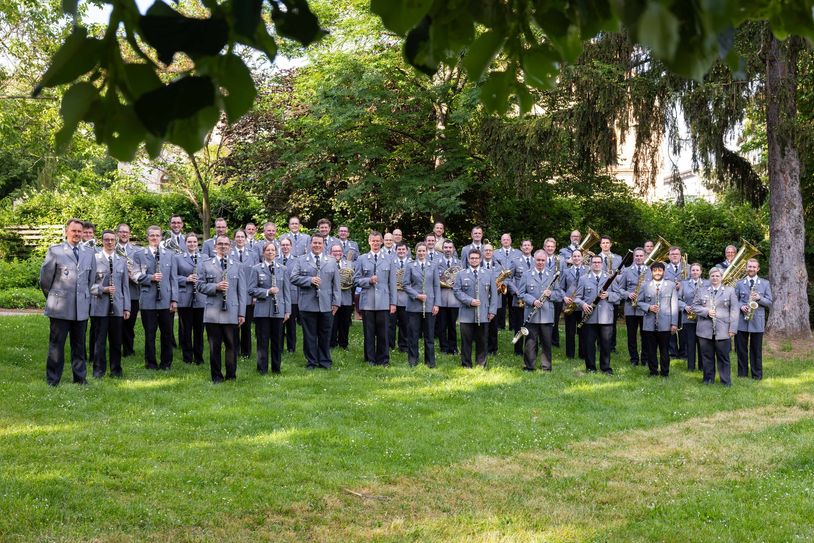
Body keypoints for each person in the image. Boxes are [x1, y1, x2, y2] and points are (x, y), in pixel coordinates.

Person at [39, 218, 98, 386]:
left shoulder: (89, 252)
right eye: (74, 231)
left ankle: (80, 378)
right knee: (57, 345)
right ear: (67, 231)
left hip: (81, 308)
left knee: (79, 345)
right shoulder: (56, 251)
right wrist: (52, 298)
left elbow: (90, 279)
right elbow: (45, 280)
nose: (77, 234)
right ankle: (53, 379)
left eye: (79, 231)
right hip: (60, 307)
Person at [199, 235, 247, 382]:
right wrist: (216, 287)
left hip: (231, 312)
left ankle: (231, 375)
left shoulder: (237, 265)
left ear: (230, 247)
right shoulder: (206, 264)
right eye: (220, 244)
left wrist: (242, 313)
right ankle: (217, 377)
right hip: (212, 312)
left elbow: (242, 291)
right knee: (214, 346)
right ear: (215, 246)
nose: (223, 246)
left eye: (226, 244)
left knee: (232, 345)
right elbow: (199, 285)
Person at [290, 235, 340, 369]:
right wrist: (309, 280)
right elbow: (293, 278)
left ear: (323, 245)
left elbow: (336, 284)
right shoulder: (301, 260)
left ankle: (324, 361)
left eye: (320, 243)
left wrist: (336, 302)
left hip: (326, 304)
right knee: (309, 335)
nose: (317, 245)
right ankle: (311, 361)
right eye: (315, 243)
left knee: (325, 334)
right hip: (307, 303)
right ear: (310, 244)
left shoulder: (331, 261)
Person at [89, 230, 131, 378]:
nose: (110, 242)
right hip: (99, 306)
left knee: (116, 341)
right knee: (99, 341)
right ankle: (99, 371)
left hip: (118, 307)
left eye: (112, 239)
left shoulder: (121, 260)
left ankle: (116, 370)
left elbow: (125, 286)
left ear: (116, 241)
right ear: (102, 241)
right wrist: (103, 289)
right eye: (107, 240)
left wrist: (126, 307)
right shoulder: (94, 259)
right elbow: (88, 286)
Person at [136, 225, 178, 370]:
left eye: (157, 235)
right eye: (152, 235)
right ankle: (151, 363)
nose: (154, 238)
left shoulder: (169, 254)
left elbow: (173, 279)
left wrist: (174, 299)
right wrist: (150, 278)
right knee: (150, 334)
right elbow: (135, 275)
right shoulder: (140, 254)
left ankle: (166, 363)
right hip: (148, 300)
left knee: (167, 334)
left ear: (161, 237)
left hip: (166, 300)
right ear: (147, 237)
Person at [354, 230, 397, 365]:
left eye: (378, 241)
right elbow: (355, 280)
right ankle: (370, 359)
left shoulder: (390, 259)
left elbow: (392, 283)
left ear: (382, 242)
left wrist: (393, 303)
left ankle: (383, 359)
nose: (375, 243)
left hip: (384, 302)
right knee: (369, 332)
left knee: (383, 332)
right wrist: (368, 281)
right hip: (367, 302)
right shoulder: (362, 258)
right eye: (373, 241)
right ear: (369, 242)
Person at [518, 250, 563, 371]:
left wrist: (551, 294)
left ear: (546, 261)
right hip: (531, 314)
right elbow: (521, 293)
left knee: (546, 342)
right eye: (538, 260)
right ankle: (529, 366)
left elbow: (559, 294)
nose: (540, 262)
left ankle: (546, 366)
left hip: (547, 314)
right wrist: (532, 301)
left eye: (543, 260)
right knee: (530, 342)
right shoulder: (526, 274)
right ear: (534, 260)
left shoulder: (552, 275)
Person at [692, 267, 738, 386]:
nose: (715, 278)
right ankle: (708, 380)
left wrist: (732, 328)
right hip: (705, 329)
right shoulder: (702, 290)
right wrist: (706, 311)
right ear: (709, 277)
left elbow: (734, 310)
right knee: (707, 356)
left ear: (721, 278)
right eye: (713, 276)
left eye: (717, 276)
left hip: (723, 330)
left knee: (723, 357)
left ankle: (725, 381)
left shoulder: (730, 291)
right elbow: (695, 306)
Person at [249, 243, 291, 374]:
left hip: (278, 310)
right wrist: (267, 292)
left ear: (276, 252)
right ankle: (262, 369)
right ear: (263, 252)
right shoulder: (256, 269)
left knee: (277, 341)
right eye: (268, 250)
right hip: (262, 310)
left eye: (273, 250)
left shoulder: (283, 269)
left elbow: (286, 291)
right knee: (262, 340)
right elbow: (251, 290)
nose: (270, 252)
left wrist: (288, 310)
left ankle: (276, 369)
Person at [575, 255, 620, 374]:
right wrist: (583, 305)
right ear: (590, 264)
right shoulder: (583, 278)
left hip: (606, 318)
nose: (596, 264)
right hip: (590, 317)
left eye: (599, 262)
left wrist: (609, 295)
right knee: (589, 344)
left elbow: (618, 296)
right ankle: (590, 368)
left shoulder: (610, 278)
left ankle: (606, 368)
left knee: (606, 344)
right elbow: (577, 298)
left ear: (602, 264)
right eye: (594, 262)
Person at [453, 250, 498, 367]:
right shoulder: (461, 274)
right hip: (466, 313)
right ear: (468, 259)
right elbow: (457, 291)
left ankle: (481, 364)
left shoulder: (489, 273)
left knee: (482, 340)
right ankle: (466, 364)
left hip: (483, 312)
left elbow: (494, 294)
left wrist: (492, 310)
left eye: (476, 258)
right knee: (466, 341)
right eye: (472, 258)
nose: (474, 260)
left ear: (480, 259)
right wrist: (470, 301)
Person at [637, 262, 678, 377]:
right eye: (655, 270)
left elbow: (674, 305)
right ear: (651, 272)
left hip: (665, 324)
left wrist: (674, 323)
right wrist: (648, 307)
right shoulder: (645, 285)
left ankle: (665, 373)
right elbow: (638, 302)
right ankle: (653, 372)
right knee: (651, 350)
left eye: (660, 270)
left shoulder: (671, 286)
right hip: (649, 324)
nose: (657, 273)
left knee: (664, 350)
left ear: (664, 272)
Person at [403, 242, 440, 367]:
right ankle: (413, 360)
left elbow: (436, 286)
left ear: (426, 252)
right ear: (415, 252)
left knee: (429, 336)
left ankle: (430, 362)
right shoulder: (410, 265)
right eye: (419, 251)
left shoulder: (433, 265)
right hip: (414, 306)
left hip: (429, 305)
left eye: (423, 251)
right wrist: (417, 295)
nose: (421, 253)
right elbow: (405, 285)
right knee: (413, 335)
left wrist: (437, 304)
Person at [735, 258, 773, 380]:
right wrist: (741, 306)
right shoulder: (740, 283)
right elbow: (735, 300)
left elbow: (770, 302)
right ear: (746, 268)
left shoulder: (765, 283)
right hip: (742, 320)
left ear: (758, 269)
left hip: (757, 320)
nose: (751, 269)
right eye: (749, 266)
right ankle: (742, 374)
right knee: (741, 349)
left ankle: (757, 375)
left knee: (756, 349)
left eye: (753, 267)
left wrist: (759, 298)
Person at [175, 233, 206, 365]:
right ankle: (187, 357)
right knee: (186, 329)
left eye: (194, 242)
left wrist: (200, 280)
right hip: (185, 297)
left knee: (199, 330)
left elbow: (209, 275)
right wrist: (186, 279)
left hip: (200, 297)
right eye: (189, 242)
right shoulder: (178, 258)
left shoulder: (204, 257)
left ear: (197, 243)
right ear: (185, 243)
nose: (192, 244)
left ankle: (199, 357)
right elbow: (173, 277)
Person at [615, 248, 649, 366]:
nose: (639, 258)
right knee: (631, 335)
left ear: (644, 257)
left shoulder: (650, 270)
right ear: (634, 257)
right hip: (631, 308)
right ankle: (634, 359)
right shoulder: (627, 271)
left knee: (646, 335)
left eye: (641, 256)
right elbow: (619, 289)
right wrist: (627, 294)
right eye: (636, 256)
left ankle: (645, 359)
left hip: (645, 309)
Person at [231, 229, 259, 358]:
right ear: (234, 239)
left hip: (248, 295)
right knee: (234, 325)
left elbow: (256, 275)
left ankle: (246, 352)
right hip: (233, 294)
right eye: (238, 237)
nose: (240, 239)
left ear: (246, 238)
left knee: (246, 326)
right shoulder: (229, 254)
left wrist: (255, 295)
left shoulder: (253, 254)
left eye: (242, 236)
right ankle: (234, 350)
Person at [116, 223, 143, 357]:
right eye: (121, 232)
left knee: (130, 323)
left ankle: (128, 349)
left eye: (126, 232)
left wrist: (133, 274)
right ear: (117, 234)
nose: (124, 234)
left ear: (130, 234)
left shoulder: (137, 250)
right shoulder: (111, 248)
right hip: (115, 291)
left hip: (132, 292)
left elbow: (143, 270)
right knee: (116, 323)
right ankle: (116, 348)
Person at [508, 239, 534, 356]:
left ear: (532, 247)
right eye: (524, 245)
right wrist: (516, 291)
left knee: (532, 325)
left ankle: (531, 348)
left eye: (528, 245)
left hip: (533, 299)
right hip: (519, 299)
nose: (527, 247)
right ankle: (518, 350)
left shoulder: (537, 260)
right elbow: (508, 279)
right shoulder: (515, 261)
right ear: (521, 247)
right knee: (519, 324)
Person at [679, 263, 706, 371]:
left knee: (702, 343)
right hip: (688, 318)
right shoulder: (684, 284)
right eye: (693, 270)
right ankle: (691, 367)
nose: (695, 272)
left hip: (702, 318)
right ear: (690, 272)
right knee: (690, 343)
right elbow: (677, 299)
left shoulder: (707, 283)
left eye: (697, 270)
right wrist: (685, 307)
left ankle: (702, 366)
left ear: (701, 272)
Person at [435, 239, 461, 355]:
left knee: (452, 325)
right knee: (441, 325)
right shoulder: (436, 262)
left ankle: (453, 347)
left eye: (450, 248)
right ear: (442, 249)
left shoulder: (459, 263)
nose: (448, 250)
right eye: (446, 247)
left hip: (454, 299)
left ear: (453, 249)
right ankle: (443, 347)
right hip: (441, 297)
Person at [560, 249, 586, 360]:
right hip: (569, 305)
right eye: (574, 256)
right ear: (572, 258)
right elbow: (560, 288)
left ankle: (582, 354)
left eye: (578, 256)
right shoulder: (566, 271)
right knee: (570, 331)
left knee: (583, 331)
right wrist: (564, 297)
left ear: (582, 257)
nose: (576, 258)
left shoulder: (588, 270)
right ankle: (570, 355)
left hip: (583, 306)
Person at [329, 243, 354, 350]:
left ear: (342, 253)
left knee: (344, 323)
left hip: (346, 297)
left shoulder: (349, 264)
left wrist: (349, 280)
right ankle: (332, 343)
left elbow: (354, 279)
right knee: (332, 322)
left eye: (339, 251)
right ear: (330, 253)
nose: (337, 253)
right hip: (332, 298)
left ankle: (343, 344)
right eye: (335, 251)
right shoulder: (327, 264)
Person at [494, 233, 521, 330]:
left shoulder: (518, 252)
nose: (506, 241)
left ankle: (513, 326)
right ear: (501, 241)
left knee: (513, 305)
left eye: (507, 239)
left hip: (513, 282)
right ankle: (501, 325)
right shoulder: (495, 252)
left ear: (511, 240)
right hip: (501, 282)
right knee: (500, 305)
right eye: (504, 239)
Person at [663, 246, 686, 357]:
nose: (674, 256)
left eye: (677, 254)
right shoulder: (664, 269)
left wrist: (682, 285)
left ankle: (683, 352)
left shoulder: (689, 268)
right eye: (672, 254)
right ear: (669, 256)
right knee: (670, 327)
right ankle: (672, 352)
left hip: (684, 302)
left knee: (684, 328)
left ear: (680, 256)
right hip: (668, 302)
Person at [278, 237, 299, 353]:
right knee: (280, 323)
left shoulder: (297, 260)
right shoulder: (275, 259)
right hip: (279, 296)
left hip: (293, 296)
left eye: (287, 245)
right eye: (283, 245)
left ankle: (291, 348)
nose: (285, 247)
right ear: (280, 246)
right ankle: (279, 347)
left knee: (291, 324)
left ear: (291, 246)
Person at [389, 243, 411, 352]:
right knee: (390, 323)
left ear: (407, 251)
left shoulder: (412, 263)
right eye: (399, 249)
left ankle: (404, 346)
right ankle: (390, 345)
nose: (401, 251)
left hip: (407, 298)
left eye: (403, 249)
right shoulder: (390, 262)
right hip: (392, 297)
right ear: (395, 251)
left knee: (405, 323)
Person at [543, 237, 563, 348]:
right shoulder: (540, 258)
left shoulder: (561, 260)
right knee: (544, 319)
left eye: (552, 246)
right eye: (548, 246)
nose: (550, 248)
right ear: (544, 247)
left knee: (555, 319)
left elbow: (563, 277)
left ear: (555, 248)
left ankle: (555, 341)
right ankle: (543, 341)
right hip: (543, 294)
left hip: (557, 293)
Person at [481, 243, 500, 355]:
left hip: (495, 299)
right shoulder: (478, 265)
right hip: (482, 299)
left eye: (490, 250)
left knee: (494, 326)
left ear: (493, 252)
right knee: (483, 325)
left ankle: (493, 349)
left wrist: (500, 285)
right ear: (483, 252)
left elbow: (506, 279)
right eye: (486, 250)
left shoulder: (499, 266)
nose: (488, 252)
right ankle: (483, 347)